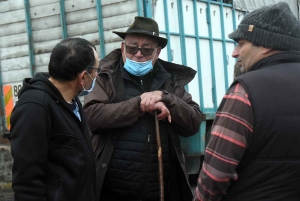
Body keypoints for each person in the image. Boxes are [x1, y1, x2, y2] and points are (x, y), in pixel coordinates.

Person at [83, 16, 203, 201]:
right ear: (123, 48)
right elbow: (92, 116)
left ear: (158, 52)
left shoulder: (170, 81)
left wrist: (167, 98)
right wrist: (139, 104)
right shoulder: (105, 76)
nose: (138, 54)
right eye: (132, 48)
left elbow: (194, 121)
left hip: (159, 190)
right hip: (112, 189)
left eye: (146, 50)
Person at [194, 2, 300, 201]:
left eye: (242, 43)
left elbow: (215, 174)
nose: (235, 52)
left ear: (267, 44)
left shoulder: (245, 91)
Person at [10, 38, 99, 201]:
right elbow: (27, 181)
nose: (97, 75)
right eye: (96, 71)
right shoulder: (34, 107)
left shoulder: (72, 101)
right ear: (83, 77)